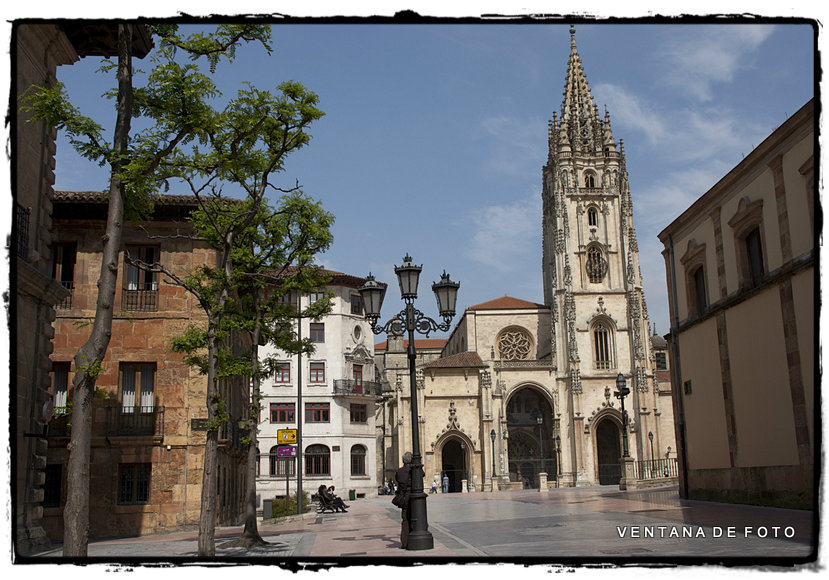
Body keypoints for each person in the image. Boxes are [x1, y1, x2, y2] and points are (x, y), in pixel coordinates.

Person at [395, 452, 413, 549]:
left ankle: (404, 542)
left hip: (404, 498)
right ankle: (414, 539)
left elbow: (397, 479)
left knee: (405, 520)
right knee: (417, 518)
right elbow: (422, 474)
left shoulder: (399, 471)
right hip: (414, 498)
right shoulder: (413, 471)